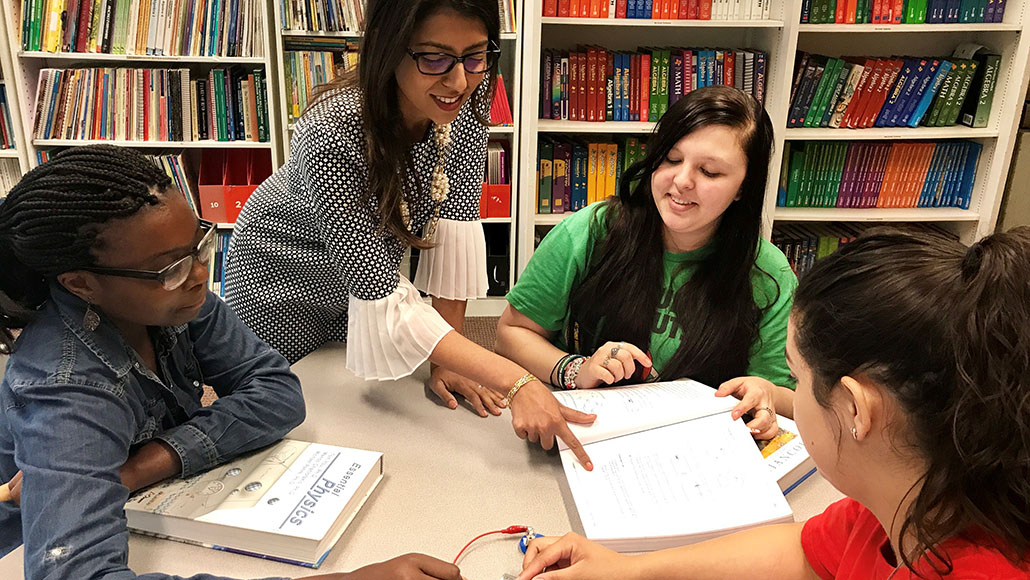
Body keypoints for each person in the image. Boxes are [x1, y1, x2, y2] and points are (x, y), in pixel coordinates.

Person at [0, 146, 464, 580]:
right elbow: (77, 571)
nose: (201, 275)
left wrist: (138, 468)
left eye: (199, 247)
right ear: (80, 283)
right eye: (172, 269)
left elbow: (276, 391)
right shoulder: (63, 387)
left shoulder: (172, 299)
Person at [518, 227, 1030, 580]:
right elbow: (803, 549)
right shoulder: (906, 503)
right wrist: (625, 567)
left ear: (855, 410)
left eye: (798, 377)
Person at [223, 0, 595, 466]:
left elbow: (454, 234)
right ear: (387, 49)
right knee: (282, 426)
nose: (459, 81)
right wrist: (517, 381)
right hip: (278, 289)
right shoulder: (333, 133)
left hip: (351, 292)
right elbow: (379, 291)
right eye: (435, 58)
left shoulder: (459, 111)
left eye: (475, 57)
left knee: (368, 409)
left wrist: (446, 365)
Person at [496, 85, 795, 439]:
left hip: (696, 451)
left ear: (744, 188)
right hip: (585, 434)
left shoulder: (767, 273)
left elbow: (788, 397)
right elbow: (511, 333)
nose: (681, 181)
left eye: (710, 172)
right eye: (671, 159)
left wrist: (766, 394)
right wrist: (577, 369)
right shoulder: (593, 230)